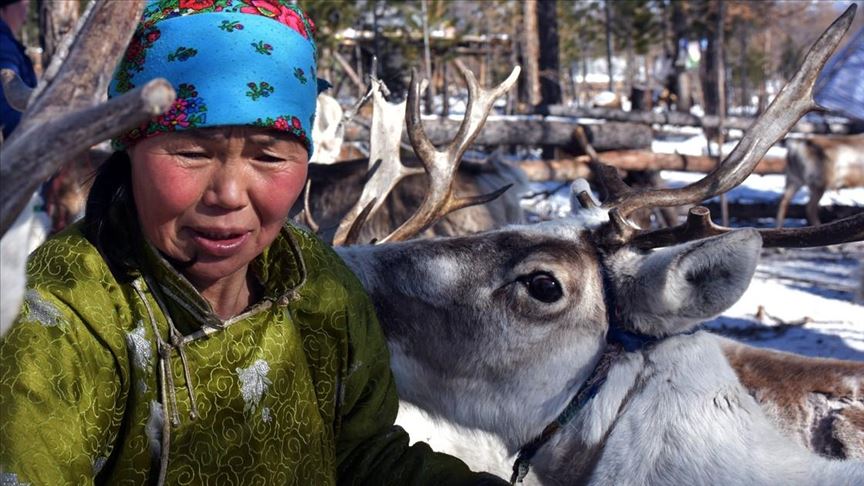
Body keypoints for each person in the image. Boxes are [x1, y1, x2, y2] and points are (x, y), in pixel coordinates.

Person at [0, 1, 506, 485]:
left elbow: (360, 456)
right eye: (192, 152)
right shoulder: (58, 318)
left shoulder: (316, 285)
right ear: (130, 151)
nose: (229, 195)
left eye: (268, 157)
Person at [0, 0, 35, 139]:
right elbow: (8, 104)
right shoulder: (4, 46)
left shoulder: (7, 43)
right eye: (24, 5)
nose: (26, 14)